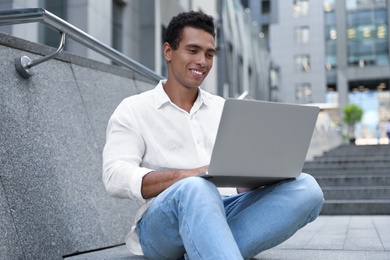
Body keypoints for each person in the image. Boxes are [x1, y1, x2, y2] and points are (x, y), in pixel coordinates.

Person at [103, 11, 324, 260]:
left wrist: (265, 174)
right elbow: (114, 176)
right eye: (193, 50)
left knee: (308, 188)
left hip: (226, 209)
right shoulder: (134, 109)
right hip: (161, 227)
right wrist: (187, 176)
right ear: (168, 51)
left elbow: (239, 182)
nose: (203, 61)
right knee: (197, 187)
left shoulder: (223, 109)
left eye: (209, 54)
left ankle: (207, 247)